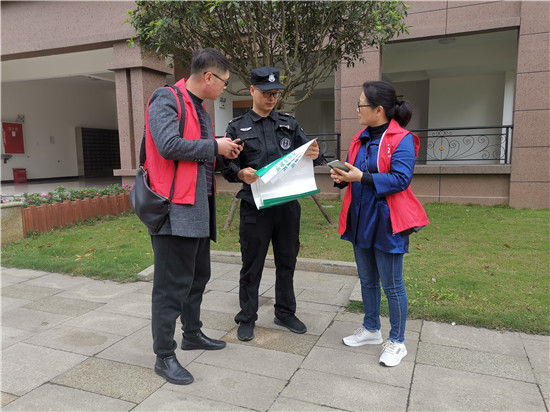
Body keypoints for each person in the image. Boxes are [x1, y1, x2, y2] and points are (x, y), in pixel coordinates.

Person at [145, 48, 242, 385]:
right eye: (224, 82)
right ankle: (164, 355)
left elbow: (198, 157)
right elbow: (168, 145)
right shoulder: (166, 98)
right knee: (170, 287)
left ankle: (192, 334)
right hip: (173, 209)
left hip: (199, 207)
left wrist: (225, 154)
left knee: (197, 278)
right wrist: (214, 146)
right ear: (208, 77)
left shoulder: (200, 109)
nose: (225, 88)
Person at [330, 80, 429, 367]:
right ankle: (371, 328)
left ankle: (397, 341)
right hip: (359, 217)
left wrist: (360, 177)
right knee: (367, 279)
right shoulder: (359, 138)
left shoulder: (402, 139)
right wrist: (341, 178)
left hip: (388, 221)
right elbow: (353, 173)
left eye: (360, 104)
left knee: (392, 284)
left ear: (379, 109)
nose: (357, 110)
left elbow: (401, 179)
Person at [221, 66, 321, 341]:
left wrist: (315, 153)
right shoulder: (237, 127)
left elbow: (308, 154)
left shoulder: (289, 123)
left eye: (275, 93)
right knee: (251, 265)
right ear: (252, 90)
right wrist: (240, 173)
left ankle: (285, 312)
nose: (271, 98)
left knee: (287, 261)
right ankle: (246, 317)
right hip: (255, 207)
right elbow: (226, 165)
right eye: (266, 93)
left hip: (287, 206)